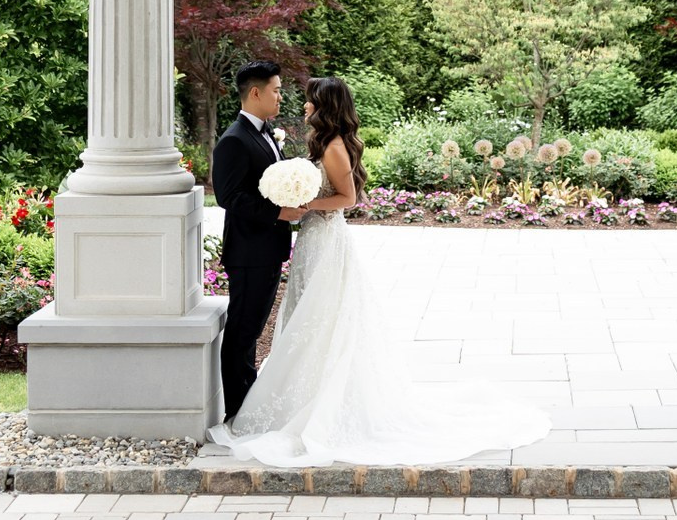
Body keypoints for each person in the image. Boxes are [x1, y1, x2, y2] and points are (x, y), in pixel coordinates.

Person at [211, 75, 550, 467]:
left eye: (308, 101)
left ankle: (318, 406)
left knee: (323, 319)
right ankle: (297, 398)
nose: (301, 106)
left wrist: (306, 203)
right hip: (308, 239)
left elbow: (348, 198)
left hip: (324, 237)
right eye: (288, 94)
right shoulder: (309, 140)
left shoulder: (335, 147)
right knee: (308, 318)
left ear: (325, 106)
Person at [210, 60, 294, 420]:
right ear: (255, 93)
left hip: (267, 249)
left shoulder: (266, 132)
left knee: (254, 328)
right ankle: (237, 410)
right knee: (244, 331)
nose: (280, 96)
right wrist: (278, 213)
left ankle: (246, 400)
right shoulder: (233, 140)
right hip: (249, 251)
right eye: (276, 90)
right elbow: (228, 197)